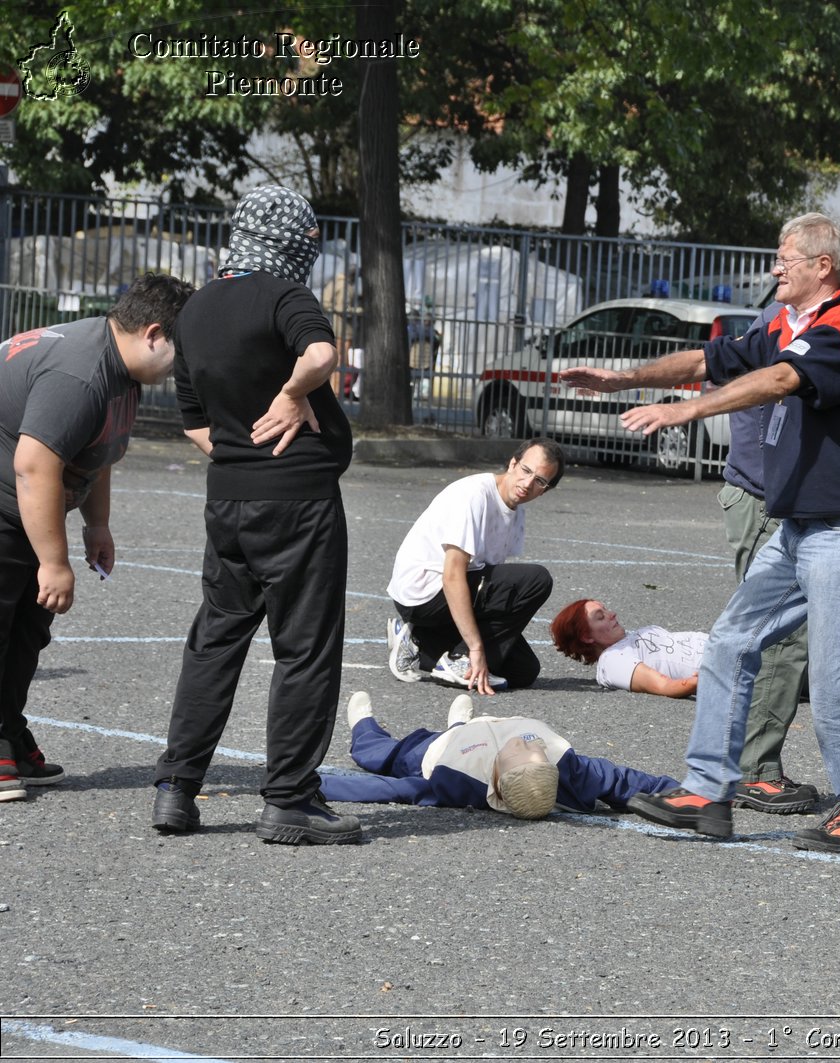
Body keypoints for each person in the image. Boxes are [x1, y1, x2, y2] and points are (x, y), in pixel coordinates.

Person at [558, 212, 840, 853]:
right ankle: (708, 793)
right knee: (729, 643)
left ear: (821, 268)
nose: (775, 268)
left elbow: (778, 380)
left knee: (830, 676)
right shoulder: (782, 323)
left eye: (785, 258)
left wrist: (684, 410)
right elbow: (709, 357)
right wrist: (624, 378)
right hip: (799, 528)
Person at [151, 184, 360, 846]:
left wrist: (243, 452)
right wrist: (296, 393)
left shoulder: (195, 310)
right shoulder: (284, 295)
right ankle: (290, 799)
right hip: (298, 500)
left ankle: (176, 787)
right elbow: (323, 356)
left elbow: (193, 422)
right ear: (296, 243)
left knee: (215, 638)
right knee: (304, 646)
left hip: (229, 498)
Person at [0, 274, 194, 801]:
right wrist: (53, 562)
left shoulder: (118, 369)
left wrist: (97, 523)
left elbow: (97, 450)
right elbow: (35, 467)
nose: (186, 366)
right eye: (184, 350)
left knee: (26, 629)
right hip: (9, 499)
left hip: (22, 504)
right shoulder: (82, 374)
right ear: (154, 333)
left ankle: (8, 731)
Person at [708, 226, 840, 816]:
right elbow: (760, 377)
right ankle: (735, 776)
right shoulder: (788, 322)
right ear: (838, 273)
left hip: (808, 510)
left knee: (823, 663)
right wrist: (663, 394)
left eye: (784, 261)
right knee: (767, 645)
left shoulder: (835, 325)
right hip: (767, 498)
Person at [548, 598, 840, 718]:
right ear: (586, 636)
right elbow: (666, 687)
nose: (614, 615)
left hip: (742, 653)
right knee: (832, 676)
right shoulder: (613, 663)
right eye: (602, 617)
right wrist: (723, 671)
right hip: (738, 674)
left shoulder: (636, 635)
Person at [385, 439, 562, 694]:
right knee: (537, 580)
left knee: (524, 670)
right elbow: (452, 575)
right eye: (526, 471)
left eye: (540, 481)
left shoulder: (515, 511)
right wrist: (476, 648)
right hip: (424, 594)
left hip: (452, 593)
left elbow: (492, 589)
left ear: (545, 490)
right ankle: (460, 660)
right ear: (513, 463)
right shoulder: (475, 495)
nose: (527, 484)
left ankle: (418, 641)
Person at [320, 692, 679, 816]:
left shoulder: (459, 781)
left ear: (498, 783)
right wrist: (684, 789)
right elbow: (623, 781)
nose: (531, 745)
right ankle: (460, 722)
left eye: (519, 752)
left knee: (382, 755)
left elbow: (393, 790)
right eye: (534, 749)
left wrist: (315, 784)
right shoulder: (568, 768)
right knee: (464, 726)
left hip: (445, 750)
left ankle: (363, 727)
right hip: (482, 728)